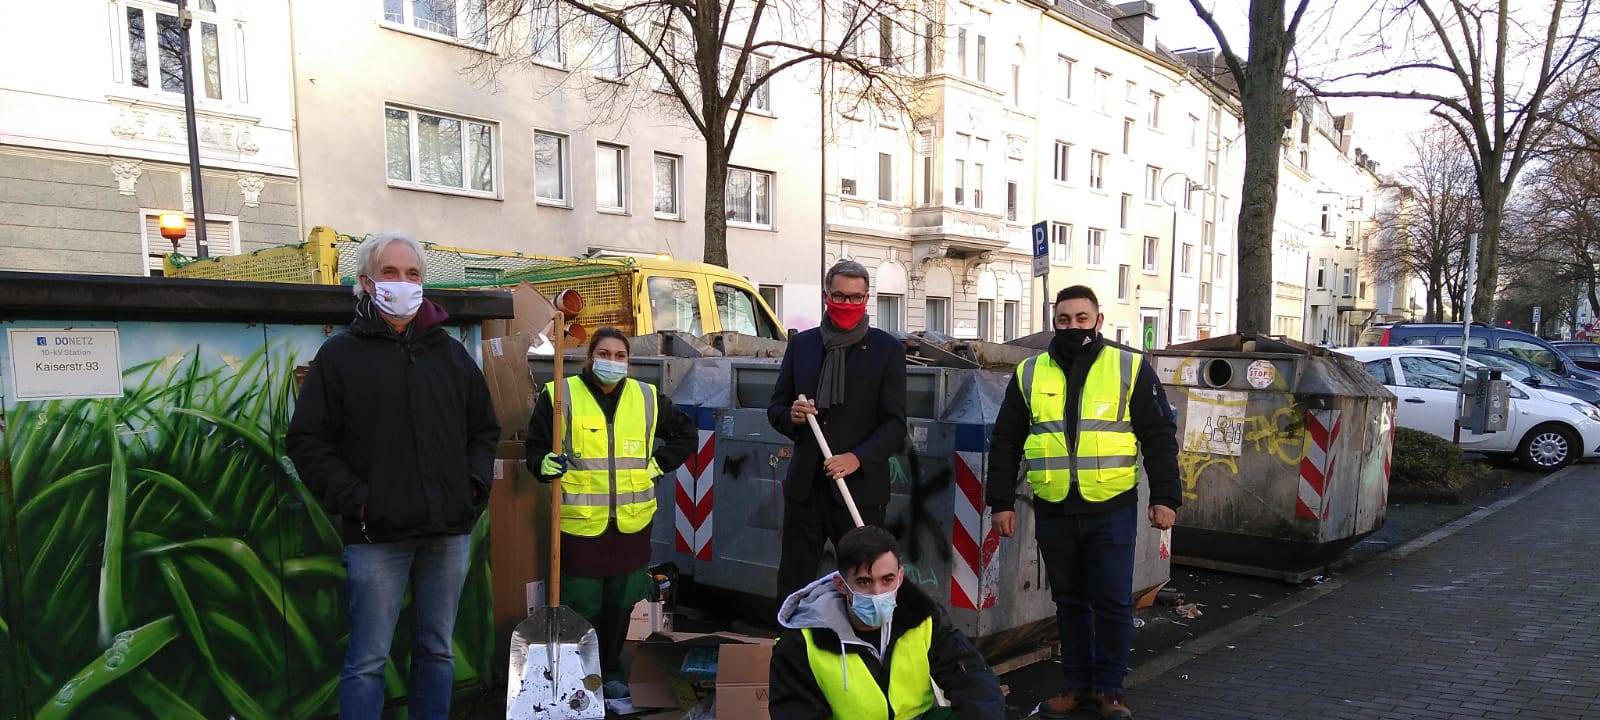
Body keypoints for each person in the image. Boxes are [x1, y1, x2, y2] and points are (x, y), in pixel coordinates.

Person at [286, 232, 499, 720]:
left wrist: (472, 487)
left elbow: (484, 429)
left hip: (447, 531)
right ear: (365, 283)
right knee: (367, 661)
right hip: (375, 536)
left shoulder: (448, 355)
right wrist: (359, 501)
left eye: (413, 274)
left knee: (437, 651)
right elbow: (307, 442)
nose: (403, 283)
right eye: (390, 273)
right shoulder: (340, 357)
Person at [986, 286, 1182, 720]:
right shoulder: (1030, 372)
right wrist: (1000, 502)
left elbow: (1159, 436)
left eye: (1081, 318)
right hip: (1054, 506)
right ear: (1053, 321)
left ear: (1098, 319)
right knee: (1070, 604)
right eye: (1063, 320)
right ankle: (1077, 688)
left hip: (1110, 506)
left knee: (1112, 602)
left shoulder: (1129, 366)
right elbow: (1005, 442)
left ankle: (1111, 692)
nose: (1072, 326)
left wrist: (1166, 497)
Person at [526, 326, 697, 699]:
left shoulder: (647, 397)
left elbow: (686, 434)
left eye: (621, 356)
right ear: (590, 357)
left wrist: (659, 464)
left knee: (622, 602)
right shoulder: (560, 394)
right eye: (605, 354)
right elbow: (535, 449)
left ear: (629, 362)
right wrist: (544, 464)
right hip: (581, 526)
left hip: (631, 525)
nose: (612, 362)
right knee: (582, 603)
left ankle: (613, 670)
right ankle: (579, 679)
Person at [768, 260, 908, 601]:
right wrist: (794, 417)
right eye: (840, 297)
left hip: (859, 492)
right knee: (795, 582)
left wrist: (856, 458)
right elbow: (776, 409)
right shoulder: (802, 346)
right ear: (825, 296)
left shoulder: (886, 350)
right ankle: (793, 649)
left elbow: (895, 425)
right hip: (806, 490)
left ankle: (865, 650)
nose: (847, 305)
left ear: (867, 299)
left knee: (864, 584)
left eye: (856, 298)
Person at [770, 526, 1004, 720]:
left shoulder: (921, 618)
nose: (877, 592)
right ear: (841, 585)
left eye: (887, 580)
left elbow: (973, 678)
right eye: (864, 582)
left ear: (900, 577)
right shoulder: (801, 643)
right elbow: (795, 713)